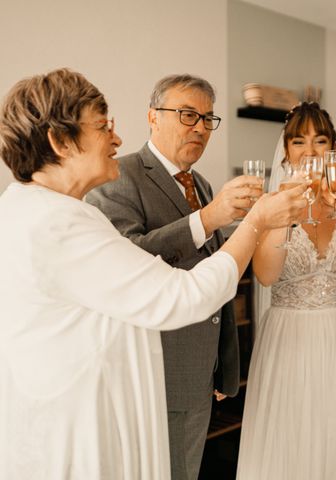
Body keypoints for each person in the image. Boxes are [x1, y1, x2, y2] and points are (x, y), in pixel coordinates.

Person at [0, 68, 307, 480]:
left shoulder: (31, 208)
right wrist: (255, 222)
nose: (116, 137)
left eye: (206, 118)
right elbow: (181, 295)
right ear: (60, 141)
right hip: (77, 426)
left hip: (107, 403)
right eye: (102, 126)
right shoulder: (60, 224)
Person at [86, 74, 261, 480]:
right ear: (153, 116)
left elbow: (213, 271)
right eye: (187, 115)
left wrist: (223, 367)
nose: (200, 127)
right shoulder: (119, 176)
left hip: (199, 371)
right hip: (153, 375)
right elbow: (127, 263)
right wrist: (210, 217)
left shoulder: (199, 183)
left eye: (208, 118)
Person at [236, 102, 336, 480]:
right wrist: (284, 207)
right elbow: (265, 275)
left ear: (334, 149)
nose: (310, 151)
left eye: (320, 140)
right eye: (299, 141)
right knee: (290, 450)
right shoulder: (267, 207)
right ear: (287, 150)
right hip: (289, 343)